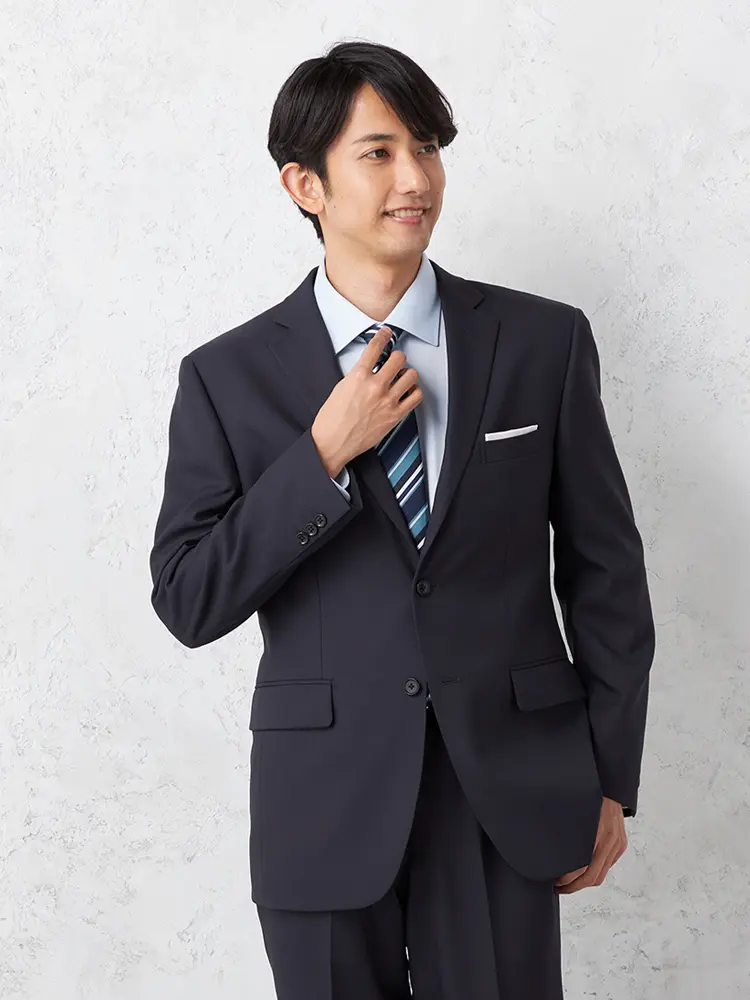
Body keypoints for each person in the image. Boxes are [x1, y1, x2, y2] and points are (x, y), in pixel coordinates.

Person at [149, 40, 656, 1000]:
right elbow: (187, 599)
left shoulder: (542, 341)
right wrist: (319, 456)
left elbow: (607, 575)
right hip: (323, 805)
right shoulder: (226, 377)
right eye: (378, 153)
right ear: (305, 184)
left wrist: (608, 774)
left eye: (426, 148)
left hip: (506, 795)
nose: (416, 178)